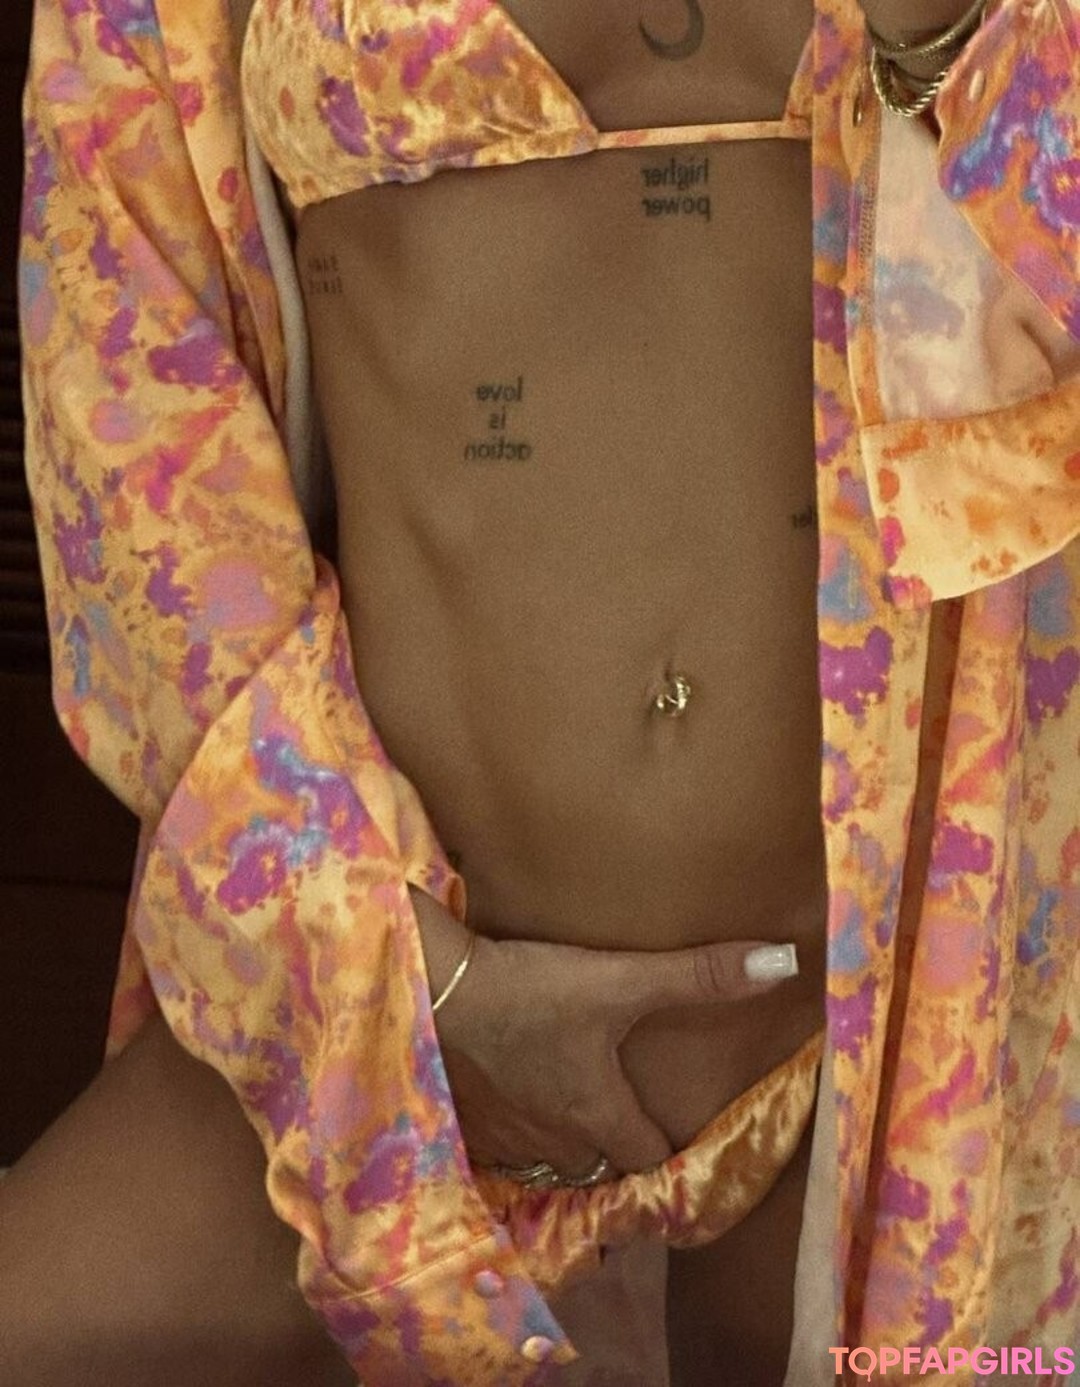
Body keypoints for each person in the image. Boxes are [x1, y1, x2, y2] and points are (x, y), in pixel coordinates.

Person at [4, 0, 1078, 1384]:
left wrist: (947, 41)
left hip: (896, 1031)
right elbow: (139, 456)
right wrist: (408, 985)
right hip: (391, 1018)